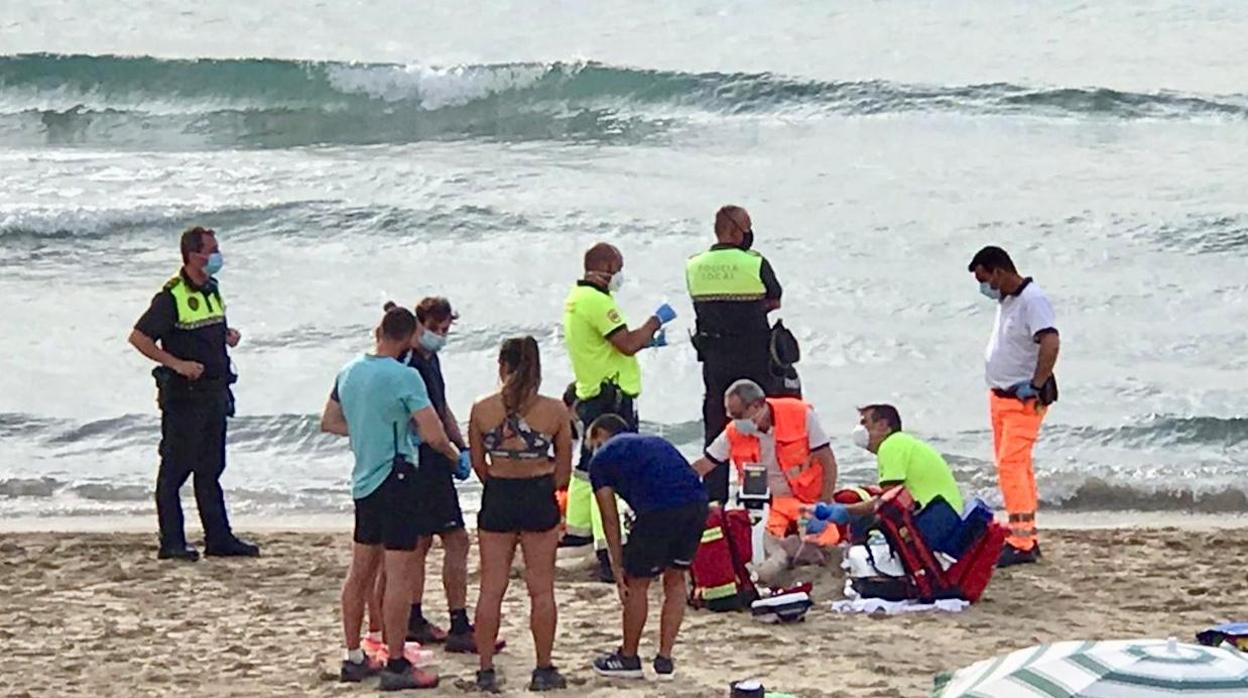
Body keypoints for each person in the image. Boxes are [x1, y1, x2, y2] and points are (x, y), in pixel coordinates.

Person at [320, 305, 459, 690]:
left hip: (364, 479)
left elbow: (329, 421)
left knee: (360, 570)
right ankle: (396, 661)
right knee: (399, 572)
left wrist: (366, 430)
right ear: (409, 336)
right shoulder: (406, 376)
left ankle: (353, 655)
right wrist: (454, 456)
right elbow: (433, 432)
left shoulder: (348, 372)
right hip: (398, 478)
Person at [128, 226, 258, 561]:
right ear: (193, 255)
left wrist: (227, 336)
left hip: (215, 392)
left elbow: (210, 327)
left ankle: (219, 538)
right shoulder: (169, 297)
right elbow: (140, 338)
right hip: (184, 396)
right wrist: (177, 364)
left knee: (211, 468)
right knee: (175, 469)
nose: (217, 255)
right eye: (211, 249)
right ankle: (171, 542)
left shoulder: (212, 289)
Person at [561, 242, 675, 581]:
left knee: (586, 467)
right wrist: (655, 322)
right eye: (619, 267)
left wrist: (645, 340)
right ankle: (610, 548)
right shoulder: (597, 302)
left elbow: (610, 346)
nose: (620, 275)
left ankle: (577, 530)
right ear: (607, 266)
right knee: (613, 469)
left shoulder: (577, 299)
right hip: (611, 397)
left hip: (591, 391)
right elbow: (627, 343)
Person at [468, 336, 574, 692]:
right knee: (541, 589)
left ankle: (485, 669)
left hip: (498, 496)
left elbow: (477, 465)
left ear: (502, 366)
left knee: (491, 589)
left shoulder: (482, 409)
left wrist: (500, 478)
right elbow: (563, 470)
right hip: (537, 496)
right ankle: (543, 668)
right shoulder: (555, 411)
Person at [585, 415, 709, 682]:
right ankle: (664, 658)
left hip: (659, 509)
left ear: (600, 434)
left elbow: (609, 519)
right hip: (697, 504)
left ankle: (628, 657)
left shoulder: (601, 459)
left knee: (637, 582)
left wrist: (617, 567)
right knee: (676, 578)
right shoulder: (653, 442)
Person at [685, 205, 784, 505]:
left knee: (716, 425)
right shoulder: (754, 262)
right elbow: (775, 298)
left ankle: (714, 501)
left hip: (714, 359)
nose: (749, 233)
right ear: (732, 229)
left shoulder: (694, 265)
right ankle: (755, 498)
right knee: (758, 427)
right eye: (747, 227)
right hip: (753, 356)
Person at [968, 246, 1060, 568]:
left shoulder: (1033, 300)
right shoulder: (1008, 301)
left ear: (999, 272)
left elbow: (1050, 342)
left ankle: (1021, 540)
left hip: (1023, 400)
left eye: (985, 280)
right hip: (1001, 398)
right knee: (1016, 467)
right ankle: (1026, 535)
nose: (985, 288)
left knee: (1011, 465)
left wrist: (1035, 384)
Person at [400, 297, 478, 652]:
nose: (440, 336)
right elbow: (422, 415)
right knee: (452, 539)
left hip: (436, 459)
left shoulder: (431, 361)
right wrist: (449, 449)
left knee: (423, 542)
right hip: (422, 461)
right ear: (418, 325)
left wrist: (461, 445)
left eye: (445, 330)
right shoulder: (408, 363)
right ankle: (457, 622)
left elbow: (441, 405)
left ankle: (419, 618)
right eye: (435, 329)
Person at [691, 379, 838, 547]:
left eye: (738, 415)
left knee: (827, 539)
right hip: (769, 505)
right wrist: (675, 482)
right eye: (731, 415)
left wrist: (825, 505)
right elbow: (705, 464)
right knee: (759, 543)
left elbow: (828, 462)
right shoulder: (733, 432)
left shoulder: (799, 413)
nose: (734, 421)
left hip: (807, 500)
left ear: (757, 406)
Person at [806, 404, 963, 533]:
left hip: (937, 520)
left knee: (864, 525)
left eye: (864, 422)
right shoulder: (903, 443)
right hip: (946, 516)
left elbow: (887, 502)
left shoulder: (892, 445)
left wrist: (846, 511)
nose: (859, 429)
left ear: (883, 426)